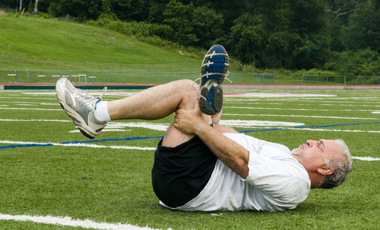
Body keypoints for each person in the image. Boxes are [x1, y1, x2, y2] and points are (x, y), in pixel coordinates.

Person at [55, 45, 352, 212]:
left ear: (325, 170)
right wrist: (212, 119)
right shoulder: (284, 155)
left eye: (319, 146)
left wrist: (199, 123)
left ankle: (97, 114)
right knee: (195, 96)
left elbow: (241, 161)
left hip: (191, 185)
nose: (312, 140)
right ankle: (206, 97)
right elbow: (235, 139)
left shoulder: (297, 183)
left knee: (186, 90)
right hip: (201, 170)